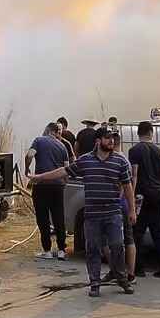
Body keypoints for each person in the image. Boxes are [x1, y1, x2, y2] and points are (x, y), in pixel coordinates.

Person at [30, 125, 136, 296]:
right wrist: (41, 177)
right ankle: (94, 282)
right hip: (92, 214)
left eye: (113, 138)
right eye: (108, 138)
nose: (112, 141)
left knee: (117, 245)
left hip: (113, 212)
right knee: (93, 248)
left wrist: (132, 209)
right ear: (98, 141)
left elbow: (128, 186)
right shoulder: (86, 160)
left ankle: (121, 278)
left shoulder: (120, 161)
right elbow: (64, 171)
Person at [129, 121, 160, 278]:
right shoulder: (159, 150)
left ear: (138, 133)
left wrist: (132, 194)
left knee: (138, 232)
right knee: (158, 230)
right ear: (150, 132)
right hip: (157, 194)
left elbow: (134, 173)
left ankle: (138, 267)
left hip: (142, 194)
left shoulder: (134, 150)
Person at [25, 122, 71, 260]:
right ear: (56, 132)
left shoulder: (39, 140)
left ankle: (47, 250)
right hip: (58, 185)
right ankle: (62, 249)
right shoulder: (62, 145)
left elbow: (29, 155)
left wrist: (27, 169)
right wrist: (65, 184)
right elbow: (66, 167)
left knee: (43, 217)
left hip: (41, 184)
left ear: (46, 130)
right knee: (58, 215)